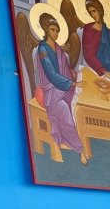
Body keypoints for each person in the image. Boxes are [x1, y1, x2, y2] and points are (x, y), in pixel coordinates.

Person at [33, 12, 89, 164]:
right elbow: (51, 73)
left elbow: (63, 66)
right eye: (52, 29)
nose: (56, 33)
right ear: (45, 29)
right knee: (65, 111)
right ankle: (80, 150)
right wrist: (72, 83)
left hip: (65, 87)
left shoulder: (58, 48)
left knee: (81, 104)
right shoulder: (43, 49)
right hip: (51, 91)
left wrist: (71, 73)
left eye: (57, 30)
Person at [76, 0, 110, 79]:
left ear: (100, 10)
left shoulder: (109, 33)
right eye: (90, 12)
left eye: (94, 11)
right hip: (97, 68)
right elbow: (88, 54)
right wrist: (102, 70)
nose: (92, 15)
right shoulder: (89, 29)